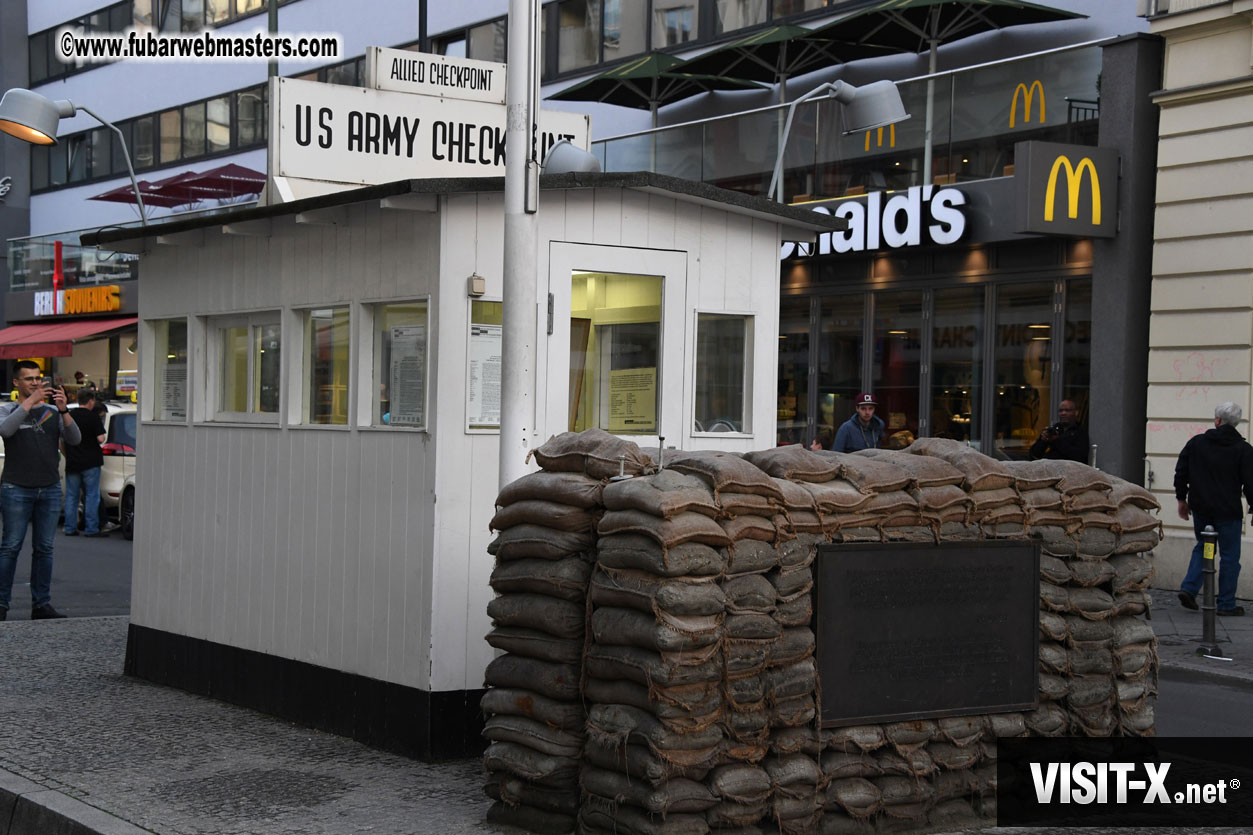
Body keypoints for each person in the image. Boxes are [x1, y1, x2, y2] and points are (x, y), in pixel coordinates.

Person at [0, 361, 82, 621]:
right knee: (10, 547)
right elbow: (6, 430)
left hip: (48, 488)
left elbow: (75, 439)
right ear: (16, 383)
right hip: (16, 487)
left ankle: (41, 605)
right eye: (28, 379)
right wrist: (30, 402)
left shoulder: (51, 412)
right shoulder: (9, 409)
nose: (35, 383)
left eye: (37, 378)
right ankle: (1, 604)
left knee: (44, 549)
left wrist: (64, 410)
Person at [1174, 401, 1253, 617]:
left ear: (1217, 420)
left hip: (1202, 510)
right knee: (1229, 557)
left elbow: (1181, 471)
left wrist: (1182, 498)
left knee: (1205, 546)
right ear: (1236, 423)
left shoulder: (1197, 443)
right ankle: (1226, 603)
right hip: (1228, 514)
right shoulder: (1243, 450)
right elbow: (1251, 482)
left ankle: (1189, 588)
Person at [63, 388, 108, 538]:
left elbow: (60, 440)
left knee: (71, 496)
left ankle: (69, 528)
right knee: (91, 496)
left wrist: (67, 454)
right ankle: (91, 528)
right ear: (90, 401)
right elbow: (101, 439)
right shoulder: (93, 417)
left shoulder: (69, 416)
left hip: (73, 461)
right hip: (91, 462)